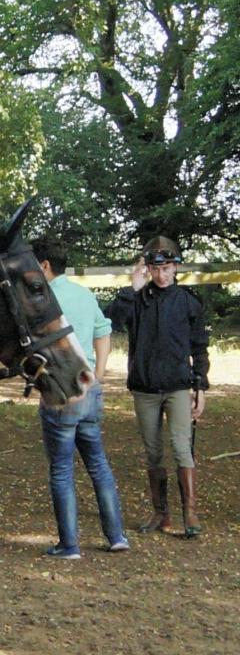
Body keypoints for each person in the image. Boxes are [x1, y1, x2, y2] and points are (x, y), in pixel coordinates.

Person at [30, 237, 129, 559]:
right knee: (98, 464)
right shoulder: (85, 295)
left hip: (61, 390)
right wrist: (98, 375)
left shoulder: (42, 299)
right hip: (90, 390)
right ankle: (116, 535)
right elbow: (104, 333)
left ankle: (69, 544)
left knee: (61, 469)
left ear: (44, 266)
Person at [106, 236, 209, 538]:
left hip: (178, 386)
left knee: (181, 448)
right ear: (148, 269)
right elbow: (110, 321)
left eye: (167, 268)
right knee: (153, 453)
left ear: (176, 267)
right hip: (145, 389)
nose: (161, 275)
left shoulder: (188, 301)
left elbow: (199, 347)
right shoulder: (136, 299)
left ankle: (189, 511)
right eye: (155, 268)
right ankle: (160, 513)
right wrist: (131, 288)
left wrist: (199, 387)